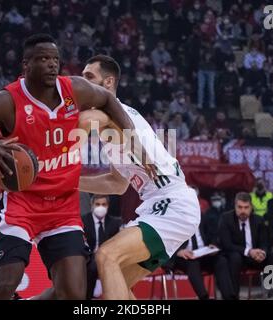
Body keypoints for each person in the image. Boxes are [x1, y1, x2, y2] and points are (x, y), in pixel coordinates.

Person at [0, 34, 141, 300]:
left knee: (72, 293)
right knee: (5, 285)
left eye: (55, 59)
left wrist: (130, 137)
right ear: (26, 65)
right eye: (43, 58)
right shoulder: (5, 102)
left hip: (63, 206)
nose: (51, 64)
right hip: (20, 204)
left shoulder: (75, 89)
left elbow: (107, 99)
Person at [77, 55, 200, 299]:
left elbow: (83, 121)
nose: (83, 82)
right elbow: (117, 183)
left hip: (172, 204)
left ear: (109, 82)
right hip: (159, 206)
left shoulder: (110, 113)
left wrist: (48, 128)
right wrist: (71, 181)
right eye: (81, 77)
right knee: (116, 281)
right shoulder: (114, 125)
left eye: (89, 77)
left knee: (106, 255)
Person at [218, 192, 273, 299]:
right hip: (238, 257)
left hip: (256, 257)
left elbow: (265, 241)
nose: (243, 211)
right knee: (234, 258)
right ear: (235, 206)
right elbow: (227, 244)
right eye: (239, 207)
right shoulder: (226, 219)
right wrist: (249, 251)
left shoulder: (258, 220)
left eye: (246, 207)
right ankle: (234, 296)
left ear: (251, 207)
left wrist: (262, 252)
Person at [168, 212, 235, 300]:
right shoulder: (173, 220)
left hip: (203, 254)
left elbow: (213, 234)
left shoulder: (202, 216)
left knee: (221, 260)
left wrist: (213, 244)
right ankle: (204, 297)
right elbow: (166, 242)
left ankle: (229, 296)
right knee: (192, 263)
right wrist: (179, 251)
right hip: (183, 258)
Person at [82, 194, 121, 299]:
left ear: (108, 206)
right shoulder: (83, 221)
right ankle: (88, 296)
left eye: (104, 204)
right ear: (92, 205)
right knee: (92, 266)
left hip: (109, 258)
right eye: (98, 204)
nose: (101, 207)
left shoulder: (115, 223)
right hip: (89, 258)